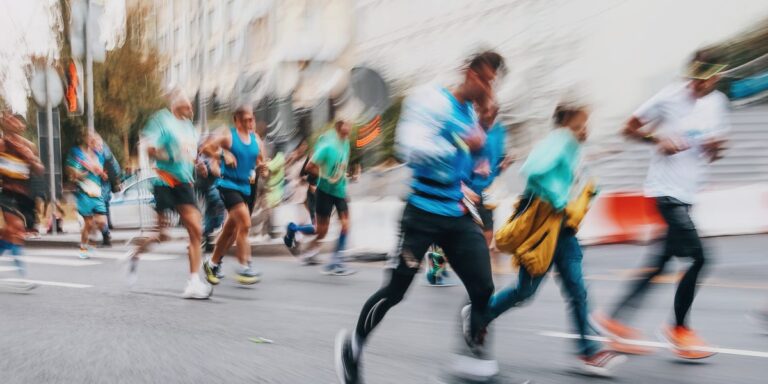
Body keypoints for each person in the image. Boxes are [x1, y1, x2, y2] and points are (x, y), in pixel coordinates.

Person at [334, 51, 505, 383]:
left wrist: (486, 131)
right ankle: (352, 347)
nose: (486, 87)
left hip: (456, 214)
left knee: (484, 288)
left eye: (492, 82)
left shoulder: (474, 115)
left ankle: (473, 348)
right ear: (468, 73)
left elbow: (482, 168)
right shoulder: (432, 100)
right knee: (395, 291)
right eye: (483, 78)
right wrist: (461, 141)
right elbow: (408, 148)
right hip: (421, 213)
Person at [593, 59, 729, 359]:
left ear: (716, 78)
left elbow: (718, 152)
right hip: (665, 193)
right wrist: (658, 139)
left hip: (688, 194)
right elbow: (628, 128)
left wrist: (714, 147)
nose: (696, 86)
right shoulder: (668, 96)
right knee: (701, 258)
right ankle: (679, 329)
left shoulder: (718, 103)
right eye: (693, 79)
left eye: (704, 81)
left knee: (660, 264)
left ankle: (612, 320)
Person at [486, 104, 626, 376]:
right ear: (566, 122)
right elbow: (533, 169)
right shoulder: (559, 140)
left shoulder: (571, 147)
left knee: (577, 290)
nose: (586, 128)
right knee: (525, 292)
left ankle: (588, 353)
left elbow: (569, 179)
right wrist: (560, 199)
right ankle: (482, 314)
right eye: (582, 124)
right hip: (546, 227)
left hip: (565, 231)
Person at [125, 92, 211, 299]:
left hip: (184, 183)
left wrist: (198, 165)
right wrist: (166, 154)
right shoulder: (161, 120)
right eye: (188, 106)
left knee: (196, 230)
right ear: (177, 106)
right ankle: (134, 254)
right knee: (162, 234)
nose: (191, 109)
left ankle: (193, 282)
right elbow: (149, 147)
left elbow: (191, 154)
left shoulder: (189, 128)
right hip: (164, 181)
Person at [201, 106, 265, 287]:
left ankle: (212, 264)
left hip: (246, 188)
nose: (249, 123)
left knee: (231, 230)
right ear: (237, 120)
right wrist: (223, 154)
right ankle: (245, 266)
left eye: (251, 119)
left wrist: (262, 168)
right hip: (228, 185)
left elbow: (260, 160)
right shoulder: (229, 137)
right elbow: (205, 148)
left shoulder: (256, 140)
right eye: (245, 120)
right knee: (245, 223)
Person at [284, 120, 355, 276]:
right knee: (320, 231)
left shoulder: (347, 143)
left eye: (349, 125)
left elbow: (341, 166)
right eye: (345, 125)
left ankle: (336, 262)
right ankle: (293, 229)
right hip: (324, 191)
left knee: (345, 224)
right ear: (338, 127)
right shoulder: (327, 147)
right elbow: (309, 167)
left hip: (340, 191)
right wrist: (325, 176)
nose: (349, 128)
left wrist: (344, 176)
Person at [0, 113, 44, 277]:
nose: (12, 122)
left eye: (16, 120)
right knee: (17, 230)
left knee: (8, 233)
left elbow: (40, 170)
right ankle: (23, 277)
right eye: (9, 119)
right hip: (6, 193)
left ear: (22, 126)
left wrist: (31, 159)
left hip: (23, 195)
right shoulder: (2, 145)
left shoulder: (29, 146)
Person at [66, 133, 109, 259]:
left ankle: (92, 242)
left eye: (96, 141)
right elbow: (72, 171)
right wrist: (81, 173)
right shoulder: (77, 154)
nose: (94, 143)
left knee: (101, 222)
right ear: (86, 140)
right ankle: (84, 247)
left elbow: (100, 172)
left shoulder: (98, 156)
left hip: (97, 192)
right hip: (84, 192)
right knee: (88, 223)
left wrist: (103, 175)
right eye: (91, 140)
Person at [195, 136, 225, 254]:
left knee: (211, 210)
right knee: (219, 203)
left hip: (207, 187)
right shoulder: (206, 156)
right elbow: (214, 170)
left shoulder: (208, 155)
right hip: (207, 187)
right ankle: (210, 233)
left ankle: (205, 237)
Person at [93, 133, 121, 247]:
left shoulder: (99, 153)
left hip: (99, 187)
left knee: (98, 212)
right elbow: (117, 169)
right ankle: (106, 233)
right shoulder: (107, 152)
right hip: (104, 187)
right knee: (102, 210)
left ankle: (105, 234)